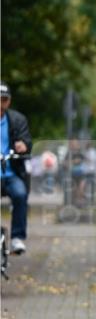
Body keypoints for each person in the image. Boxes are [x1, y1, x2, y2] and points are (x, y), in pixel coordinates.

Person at [0, 82, 32, 254]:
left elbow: (27, 141)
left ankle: (17, 238)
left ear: (9, 101)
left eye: (4, 100)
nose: (0, 104)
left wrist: (23, 146)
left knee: (20, 194)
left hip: (11, 174)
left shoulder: (18, 120)